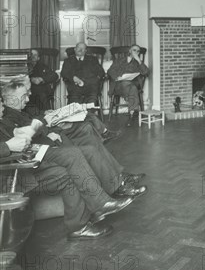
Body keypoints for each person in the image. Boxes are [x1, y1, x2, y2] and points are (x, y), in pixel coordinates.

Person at [0, 97, 135, 241]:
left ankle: (80, 225)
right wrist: (8, 146)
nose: (3, 107)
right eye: (0, 104)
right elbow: (8, 145)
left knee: (72, 169)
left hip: (24, 165)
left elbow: (16, 134)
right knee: (72, 156)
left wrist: (22, 133)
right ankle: (99, 204)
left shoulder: (3, 122)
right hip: (14, 175)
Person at [0, 79, 147, 198]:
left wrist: (49, 115)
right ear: (10, 99)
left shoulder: (20, 110)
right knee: (85, 137)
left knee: (87, 131)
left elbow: (36, 119)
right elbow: (30, 133)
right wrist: (48, 124)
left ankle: (118, 176)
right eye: (23, 96)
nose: (28, 98)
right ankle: (117, 183)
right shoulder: (7, 116)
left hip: (53, 134)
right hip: (49, 142)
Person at [107, 45, 149, 126]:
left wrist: (139, 61)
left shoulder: (138, 63)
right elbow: (110, 71)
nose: (136, 52)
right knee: (129, 85)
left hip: (131, 85)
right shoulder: (119, 60)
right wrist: (117, 77)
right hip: (118, 85)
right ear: (130, 51)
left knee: (132, 86)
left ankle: (133, 112)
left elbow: (146, 72)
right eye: (134, 50)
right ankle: (134, 111)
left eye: (138, 51)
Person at [27, 48, 59, 114]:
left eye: (35, 55)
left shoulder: (42, 66)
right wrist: (31, 79)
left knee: (42, 94)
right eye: (31, 54)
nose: (33, 56)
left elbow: (54, 75)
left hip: (40, 92)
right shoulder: (24, 66)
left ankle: (47, 114)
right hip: (28, 90)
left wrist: (41, 79)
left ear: (38, 58)